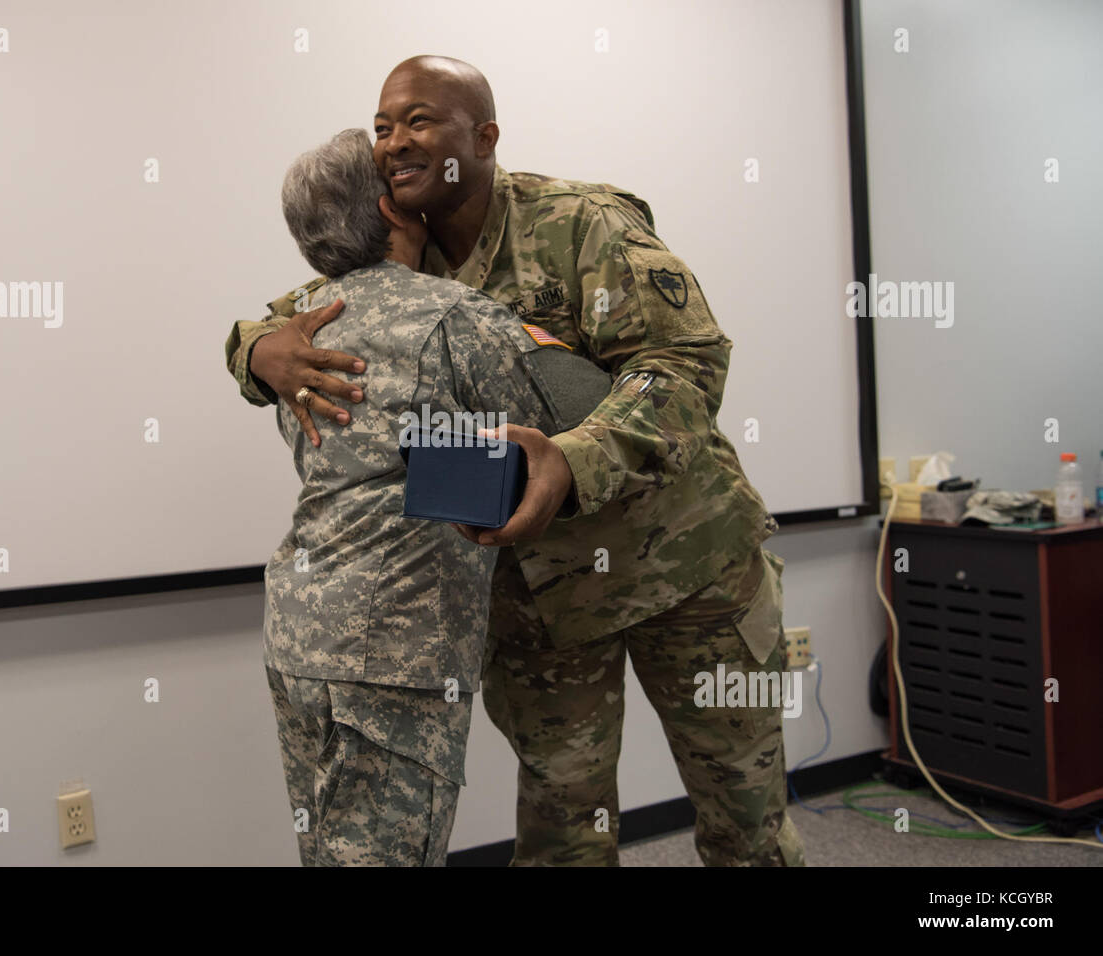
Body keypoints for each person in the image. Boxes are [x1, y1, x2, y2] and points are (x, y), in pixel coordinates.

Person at [226, 57, 806, 867]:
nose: (394, 142)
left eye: (420, 120)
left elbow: (683, 365)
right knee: (563, 834)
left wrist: (574, 457)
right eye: (384, 126)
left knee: (745, 823)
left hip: (686, 567)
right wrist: (260, 356)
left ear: (484, 136)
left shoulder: (580, 224)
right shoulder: (392, 261)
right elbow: (272, 327)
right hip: (542, 605)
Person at [260, 127, 612, 866]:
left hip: (300, 629)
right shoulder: (451, 316)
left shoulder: (294, 329)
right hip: (395, 645)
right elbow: (592, 404)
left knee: (329, 849)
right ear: (394, 211)